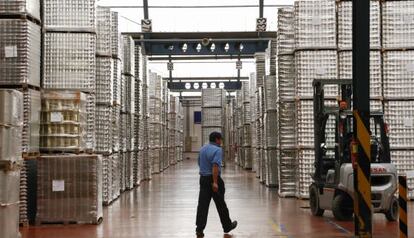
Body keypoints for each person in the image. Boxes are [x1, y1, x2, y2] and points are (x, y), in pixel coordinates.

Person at [195, 132, 237, 237]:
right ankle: (227, 226)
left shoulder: (202, 148)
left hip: (203, 178)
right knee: (221, 204)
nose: (221, 141)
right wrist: (215, 182)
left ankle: (199, 229)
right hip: (213, 179)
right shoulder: (218, 150)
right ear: (217, 140)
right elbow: (215, 166)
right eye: (220, 139)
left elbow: (199, 162)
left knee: (202, 205)